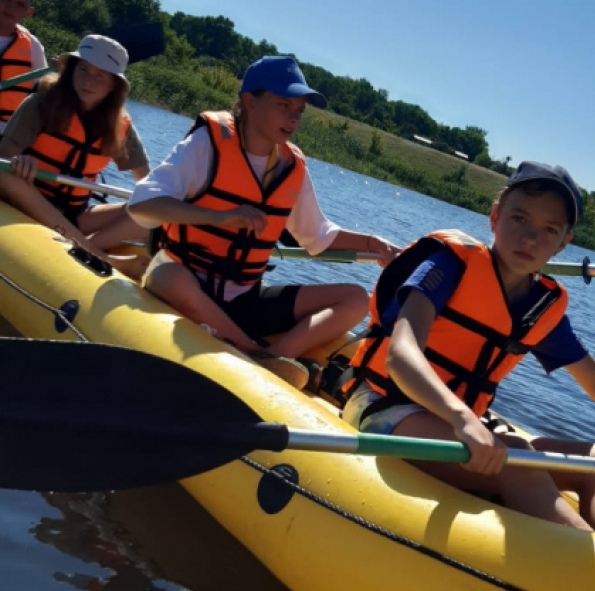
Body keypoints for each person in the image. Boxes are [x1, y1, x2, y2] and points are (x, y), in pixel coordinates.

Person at [341, 161, 595, 539]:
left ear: (564, 242)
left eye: (549, 230)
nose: (530, 238)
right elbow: (401, 354)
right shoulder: (447, 264)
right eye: (520, 219)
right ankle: (594, 569)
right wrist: (462, 418)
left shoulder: (539, 307)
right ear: (495, 216)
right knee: (511, 456)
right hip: (385, 407)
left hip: (459, 423)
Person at [127, 55, 398, 389]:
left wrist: (372, 244)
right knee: (168, 272)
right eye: (284, 105)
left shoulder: (291, 167)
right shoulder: (207, 144)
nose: (293, 118)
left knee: (355, 298)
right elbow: (142, 203)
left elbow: (318, 237)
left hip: (244, 300)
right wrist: (218, 217)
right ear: (249, 102)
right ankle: (254, 352)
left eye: (299, 111)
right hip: (189, 284)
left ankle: (274, 357)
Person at [0, 34, 151, 277]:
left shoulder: (120, 126)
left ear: (113, 86)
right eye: (83, 70)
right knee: (8, 176)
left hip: (73, 213)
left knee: (150, 210)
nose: (88, 81)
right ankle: (100, 256)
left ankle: (82, 244)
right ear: (72, 70)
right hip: (23, 198)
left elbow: (148, 184)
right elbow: (0, 162)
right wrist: (19, 162)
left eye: (101, 76)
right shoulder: (40, 103)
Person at [0, 0, 48, 152]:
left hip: (1, 139)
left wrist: (62, 77)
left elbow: (46, 97)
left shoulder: (33, 48)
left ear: (28, 12)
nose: (11, 7)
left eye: (19, 4)